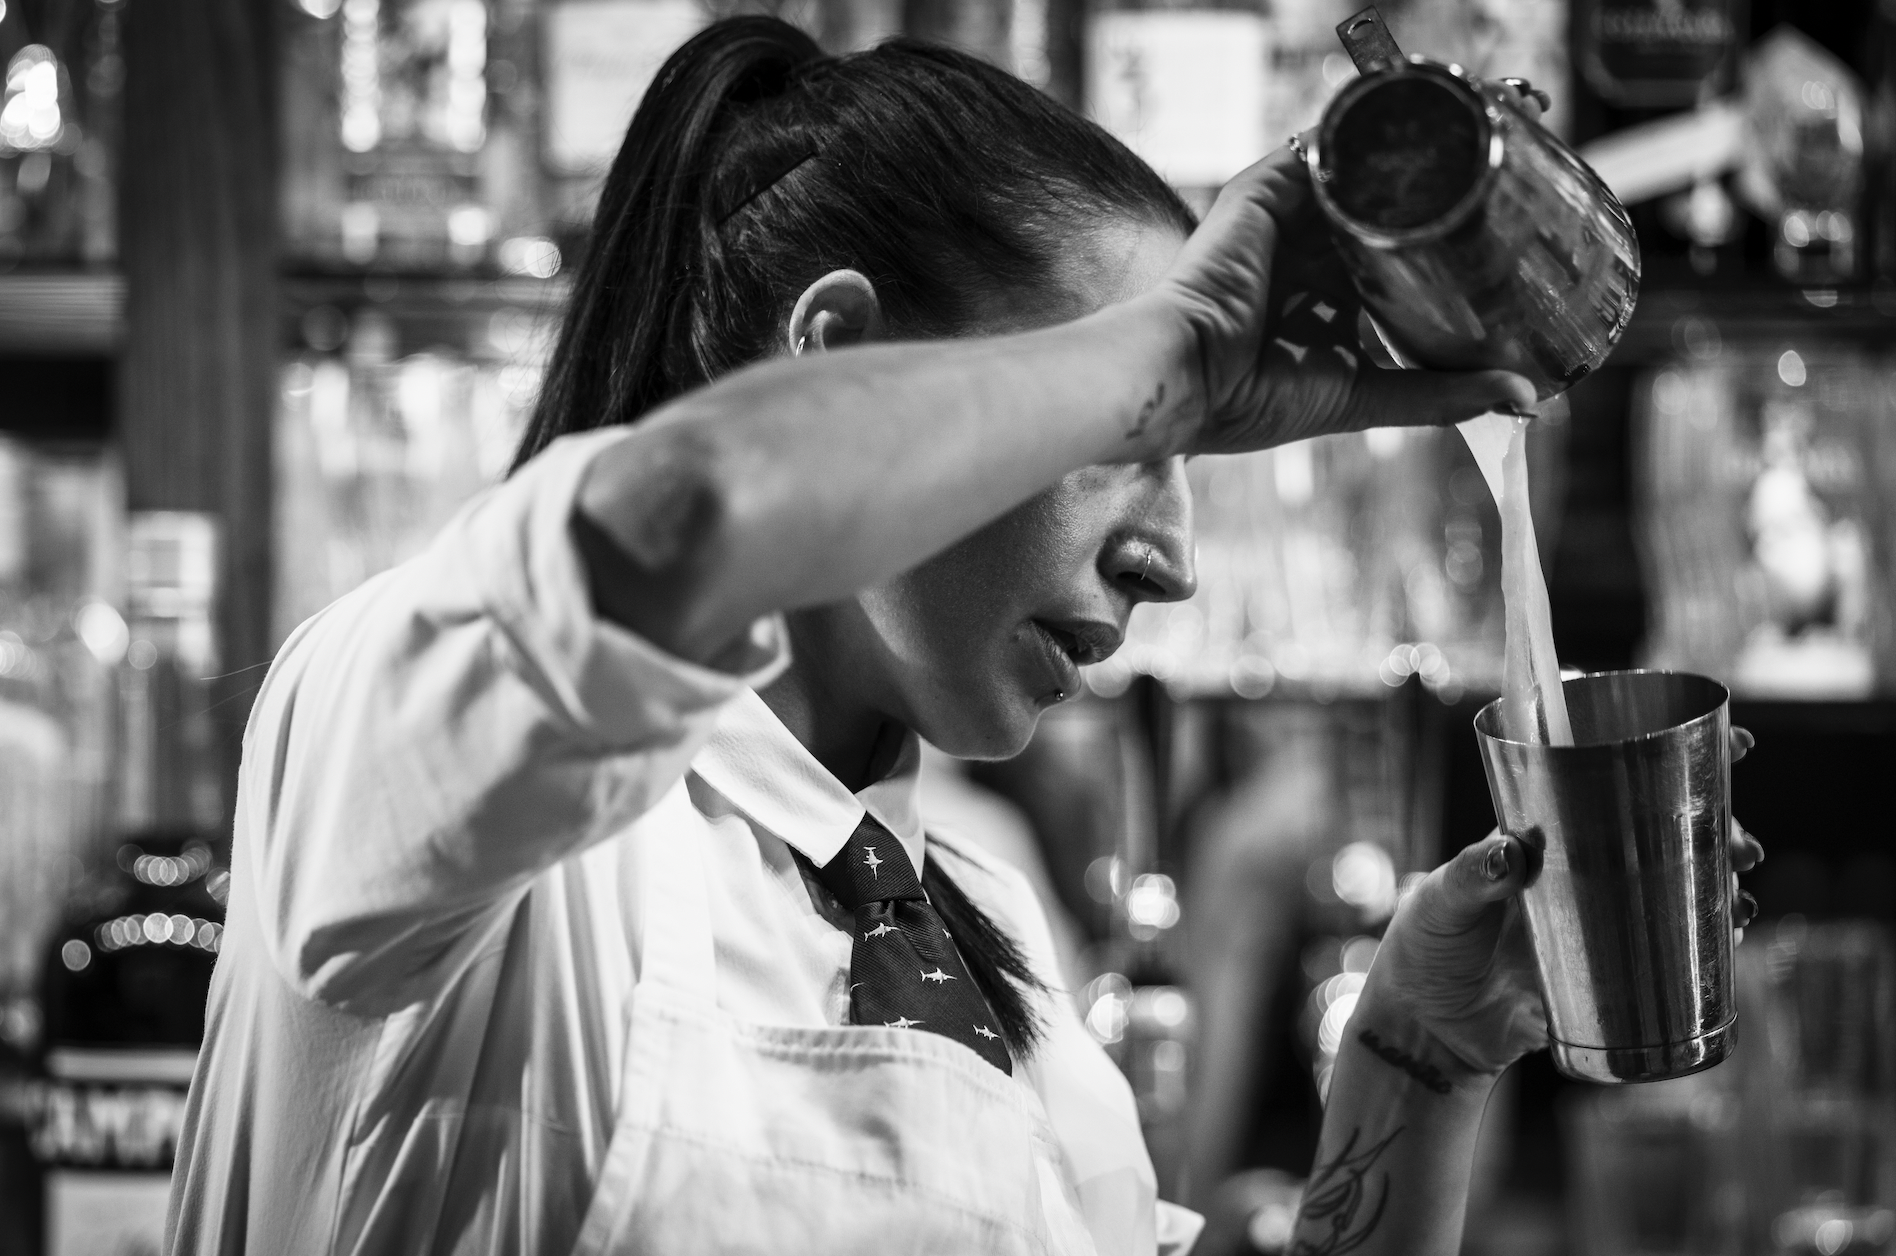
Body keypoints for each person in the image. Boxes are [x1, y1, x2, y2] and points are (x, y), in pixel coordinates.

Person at [166, 17, 1758, 1256]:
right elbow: (685, 512)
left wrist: (1415, 1054)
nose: (1174, 559)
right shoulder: (426, 751)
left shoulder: (991, 959)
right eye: (1132, 435)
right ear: (835, 354)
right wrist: (1178, 350)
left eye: (1187, 454)